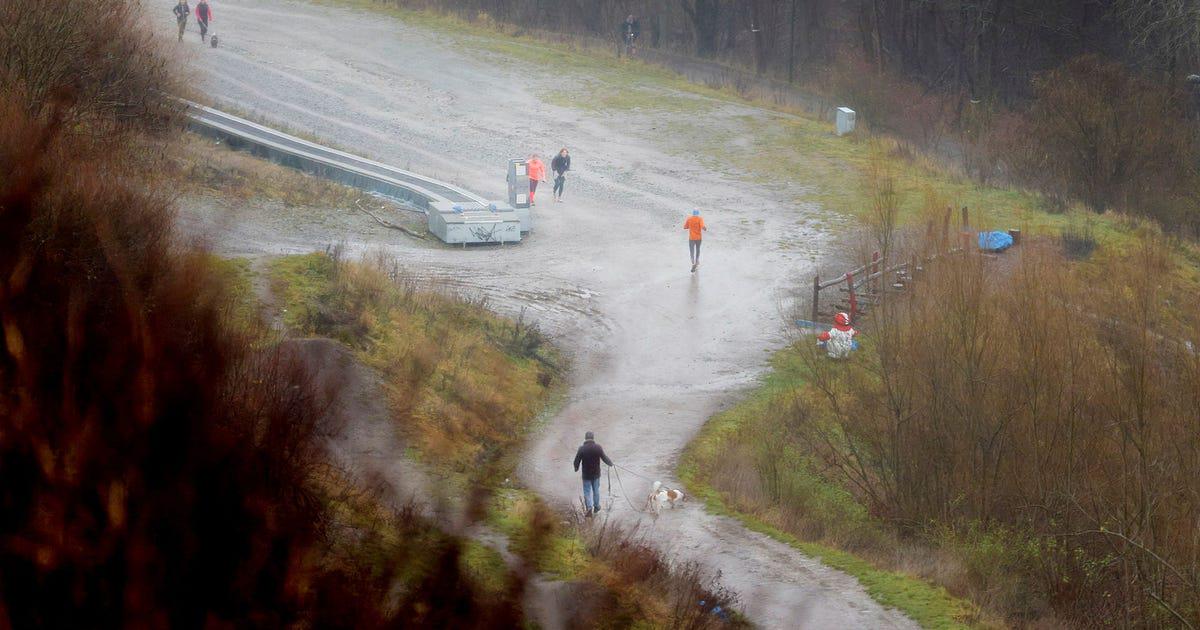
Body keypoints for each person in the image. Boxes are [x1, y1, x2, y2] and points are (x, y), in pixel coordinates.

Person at [573, 431, 613, 516]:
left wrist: (576, 468)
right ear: (593, 438)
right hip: (596, 474)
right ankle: (597, 506)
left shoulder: (582, 449)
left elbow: (576, 460)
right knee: (596, 491)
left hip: (586, 475)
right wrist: (610, 463)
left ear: (585, 438)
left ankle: (589, 508)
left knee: (587, 491)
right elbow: (604, 458)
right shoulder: (598, 447)